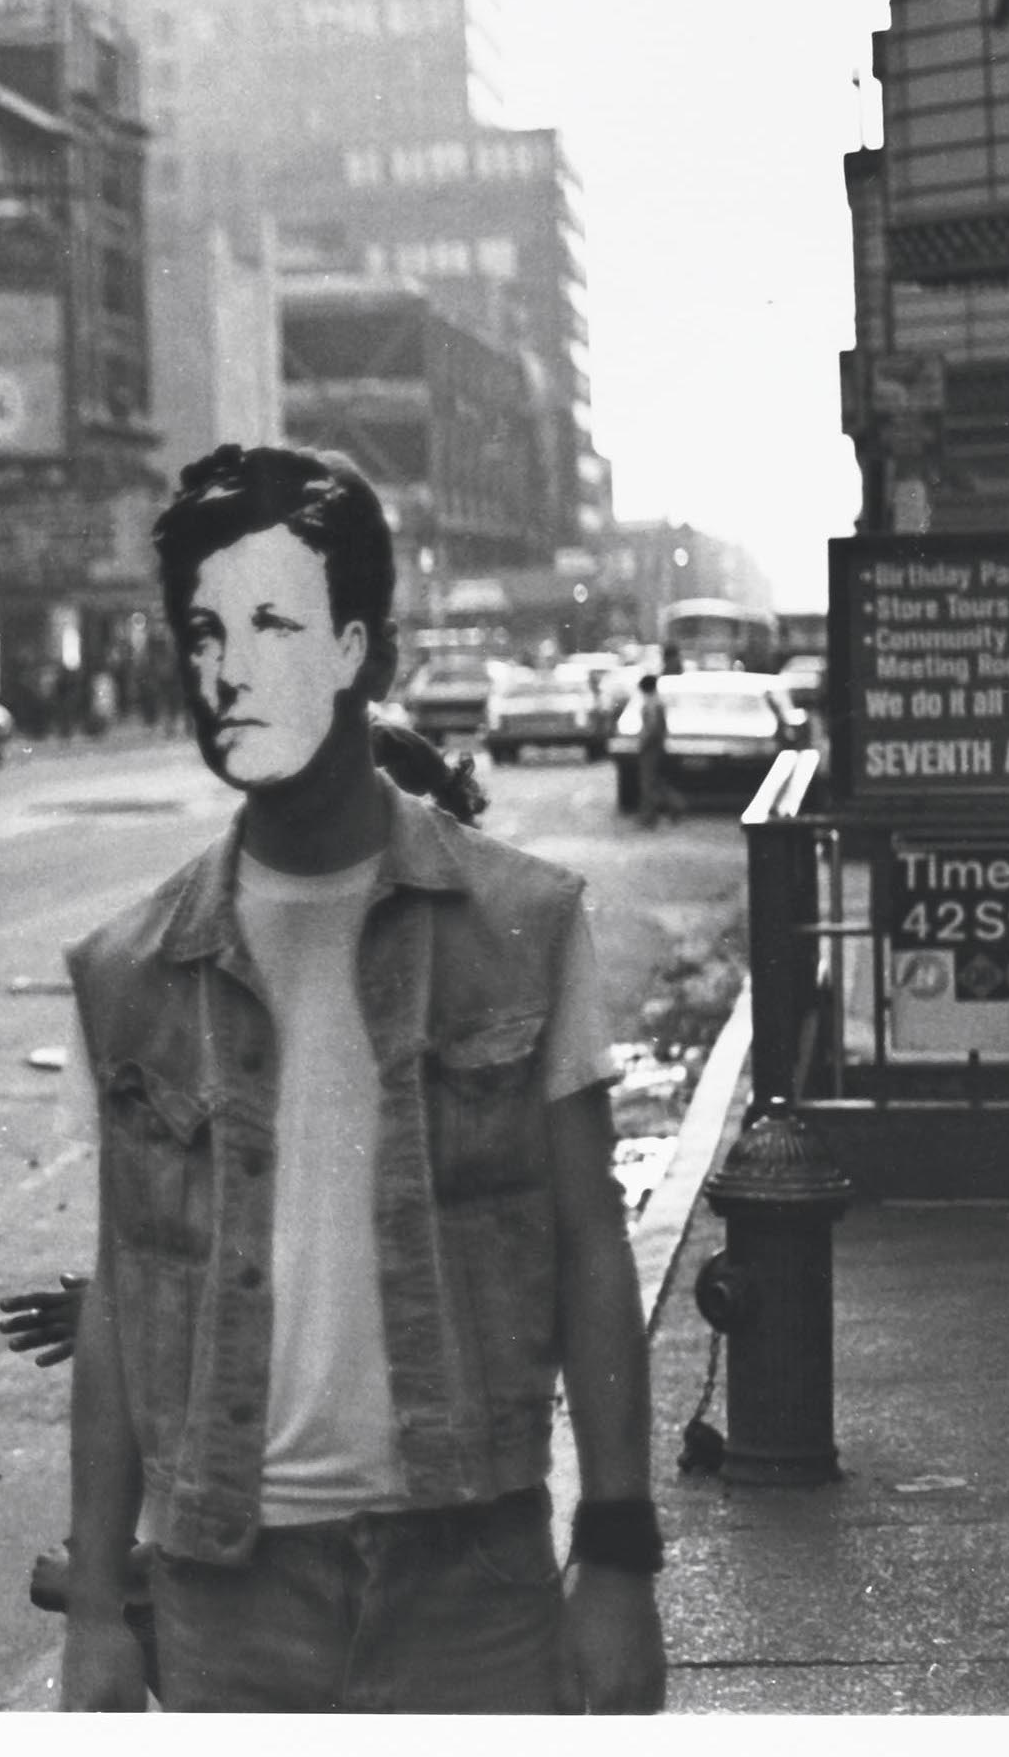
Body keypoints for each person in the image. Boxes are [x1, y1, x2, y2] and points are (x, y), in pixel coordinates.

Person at [55, 442, 664, 1714]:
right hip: (226, 1587)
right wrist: (103, 1606)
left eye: (272, 624)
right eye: (204, 632)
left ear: (363, 655)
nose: (230, 672)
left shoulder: (519, 923)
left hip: (473, 1569)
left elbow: (589, 1244)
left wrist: (616, 1558)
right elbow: (121, 1296)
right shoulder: (130, 970)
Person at [634, 670, 683, 828]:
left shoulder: (652, 703)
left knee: (648, 783)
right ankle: (675, 806)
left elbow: (652, 727)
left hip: (651, 747)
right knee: (657, 782)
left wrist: (644, 742)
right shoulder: (658, 701)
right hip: (658, 745)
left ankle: (649, 816)